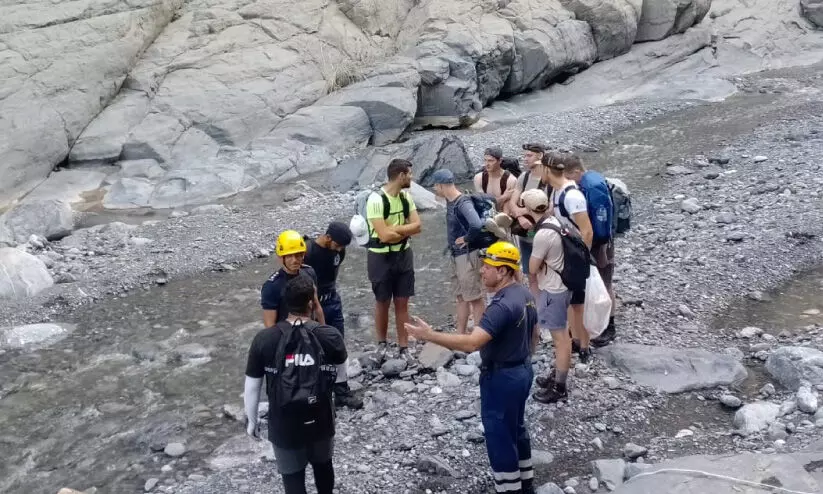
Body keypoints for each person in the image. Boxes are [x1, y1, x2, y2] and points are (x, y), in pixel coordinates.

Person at [405, 241, 538, 494]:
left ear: (503, 271)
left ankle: (510, 489)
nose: (482, 271)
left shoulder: (501, 306)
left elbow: (471, 343)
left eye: (487, 267)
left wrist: (429, 335)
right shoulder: (525, 294)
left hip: (502, 377)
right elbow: (535, 333)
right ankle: (526, 482)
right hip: (522, 370)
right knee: (517, 427)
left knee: (500, 435)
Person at [244, 275, 347, 494]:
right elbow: (340, 375)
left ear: (286, 302)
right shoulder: (330, 335)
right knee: (324, 468)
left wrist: (252, 421)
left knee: (292, 478)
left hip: (284, 423)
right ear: (312, 302)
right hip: (320, 417)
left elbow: (252, 386)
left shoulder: (264, 339)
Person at [365, 158, 422, 362]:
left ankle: (403, 346)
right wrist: (403, 231)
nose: (411, 178)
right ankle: (381, 343)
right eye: (409, 174)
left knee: (402, 302)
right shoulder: (375, 200)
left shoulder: (406, 197)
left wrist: (396, 229)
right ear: (400, 176)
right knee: (382, 302)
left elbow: (418, 226)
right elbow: (384, 236)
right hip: (380, 257)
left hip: (403, 255)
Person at [519, 189, 572, 404]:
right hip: (564, 285)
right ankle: (556, 374)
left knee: (560, 339)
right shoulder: (557, 223)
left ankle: (560, 386)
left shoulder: (543, 234)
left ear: (530, 209)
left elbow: (532, 267)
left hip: (553, 288)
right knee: (561, 336)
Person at [303, 221, 363, 409]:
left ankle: (341, 391)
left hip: (332, 301)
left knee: (338, 345)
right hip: (311, 304)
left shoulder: (339, 252)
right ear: (327, 238)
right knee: (311, 349)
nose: (339, 250)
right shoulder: (308, 251)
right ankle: (314, 393)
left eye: (342, 247)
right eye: (337, 245)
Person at [542, 152, 593, 362]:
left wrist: (582, 261)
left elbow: (587, 231)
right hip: (566, 255)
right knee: (572, 303)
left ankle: (584, 346)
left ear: (547, 170)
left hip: (575, 257)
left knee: (579, 304)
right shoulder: (557, 191)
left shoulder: (571, 196)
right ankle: (573, 339)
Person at [563, 158, 617, 347]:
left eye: (569, 176)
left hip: (600, 244)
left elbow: (600, 222)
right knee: (598, 282)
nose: (568, 180)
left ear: (577, 171)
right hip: (596, 241)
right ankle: (594, 323)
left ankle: (609, 326)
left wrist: (597, 245)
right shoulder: (589, 181)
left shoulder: (592, 187)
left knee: (604, 283)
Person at [431, 169, 487, 334]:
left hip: (468, 255)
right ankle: (460, 333)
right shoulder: (450, 202)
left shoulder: (462, 202)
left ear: (441, 185)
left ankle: (478, 336)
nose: (435, 189)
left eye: (435, 185)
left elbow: (476, 225)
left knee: (474, 297)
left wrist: (467, 239)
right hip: (457, 255)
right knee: (461, 296)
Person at [501, 143, 551, 274]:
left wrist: (522, 211)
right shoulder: (524, 177)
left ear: (540, 156)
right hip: (524, 231)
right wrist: (520, 216)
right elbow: (513, 201)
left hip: (543, 231)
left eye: (529, 155)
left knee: (546, 270)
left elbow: (547, 207)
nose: (525, 159)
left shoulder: (548, 179)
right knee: (529, 271)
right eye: (525, 156)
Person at [261, 230, 325, 327]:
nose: (294, 260)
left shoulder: (309, 272)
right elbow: (270, 325)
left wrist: (323, 330)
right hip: (286, 335)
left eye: (298, 255)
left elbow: (316, 306)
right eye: (289, 256)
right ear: (281, 257)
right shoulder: (271, 286)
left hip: (308, 330)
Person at [474, 147, 517, 213]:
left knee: (507, 203)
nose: (487, 164)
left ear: (500, 161)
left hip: (504, 214)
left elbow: (511, 204)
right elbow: (483, 203)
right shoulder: (478, 178)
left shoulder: (511, 180)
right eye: (485, 160)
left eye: (491, 161)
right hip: (486, 211)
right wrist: (504, 197)